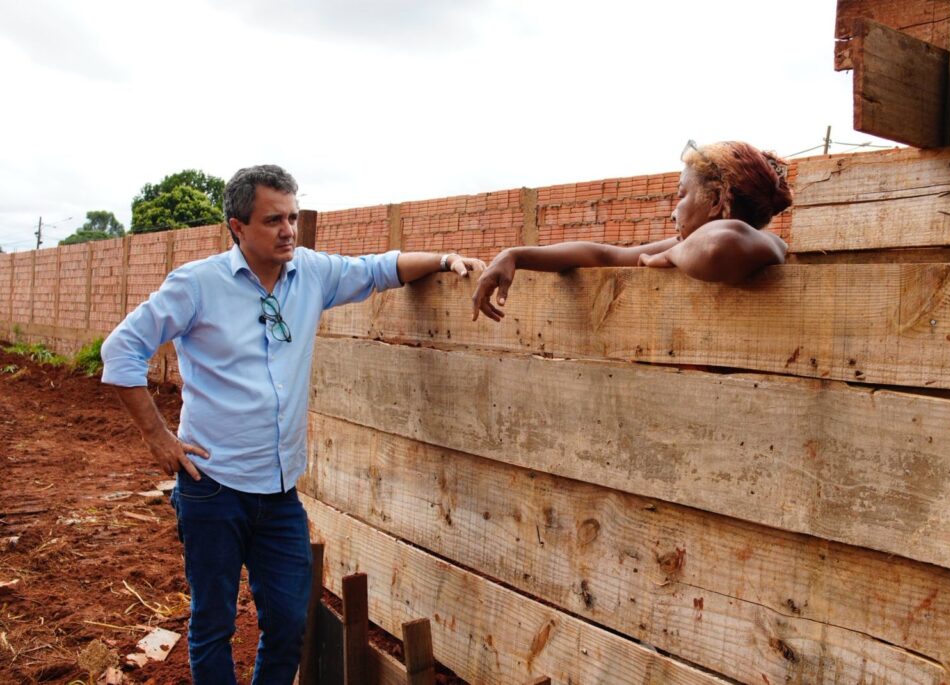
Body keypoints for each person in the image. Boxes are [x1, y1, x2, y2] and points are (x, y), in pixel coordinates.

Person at [100, 164, 485, 684]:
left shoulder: (311, 274)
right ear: (237, 226)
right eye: (273, 220)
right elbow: (121, 349)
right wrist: (157, 437)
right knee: (213, 623)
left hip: (279, 493)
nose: (288, 231)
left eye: (293, 217)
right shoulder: (197, 285)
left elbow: (378, 269)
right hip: (212, 486)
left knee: (287, 622)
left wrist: (443, 259)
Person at [472, 140, 792, 322]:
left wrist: (670, 254)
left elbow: (718, 246)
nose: (673, 211)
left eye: (682, 195)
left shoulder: (768, 244)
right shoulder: (686, 244)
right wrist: (515, 255)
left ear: (716, 199)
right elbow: (605, 255)